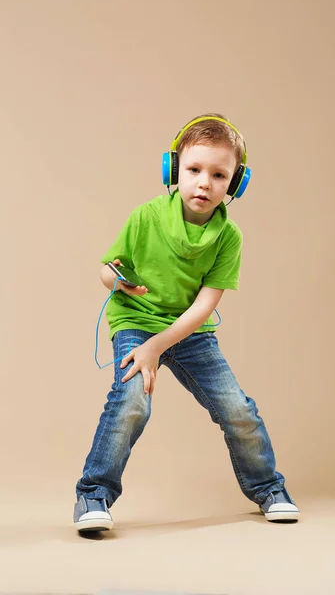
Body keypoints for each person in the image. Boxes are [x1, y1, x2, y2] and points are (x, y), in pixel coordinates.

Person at [74, 113, 300, 532]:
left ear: (235, 184)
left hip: (188, 332)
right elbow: (108, 269)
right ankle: (93, 494)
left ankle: (269, 487)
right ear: (174, 169)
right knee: (131, 403)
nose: (204, 183)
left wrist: (159, 346)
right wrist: (117, 281)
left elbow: (203, 306)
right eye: (194, 170)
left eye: (218, 175)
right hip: (137, 322)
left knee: (238, 410)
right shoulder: (145, 217)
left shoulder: (229, 238)